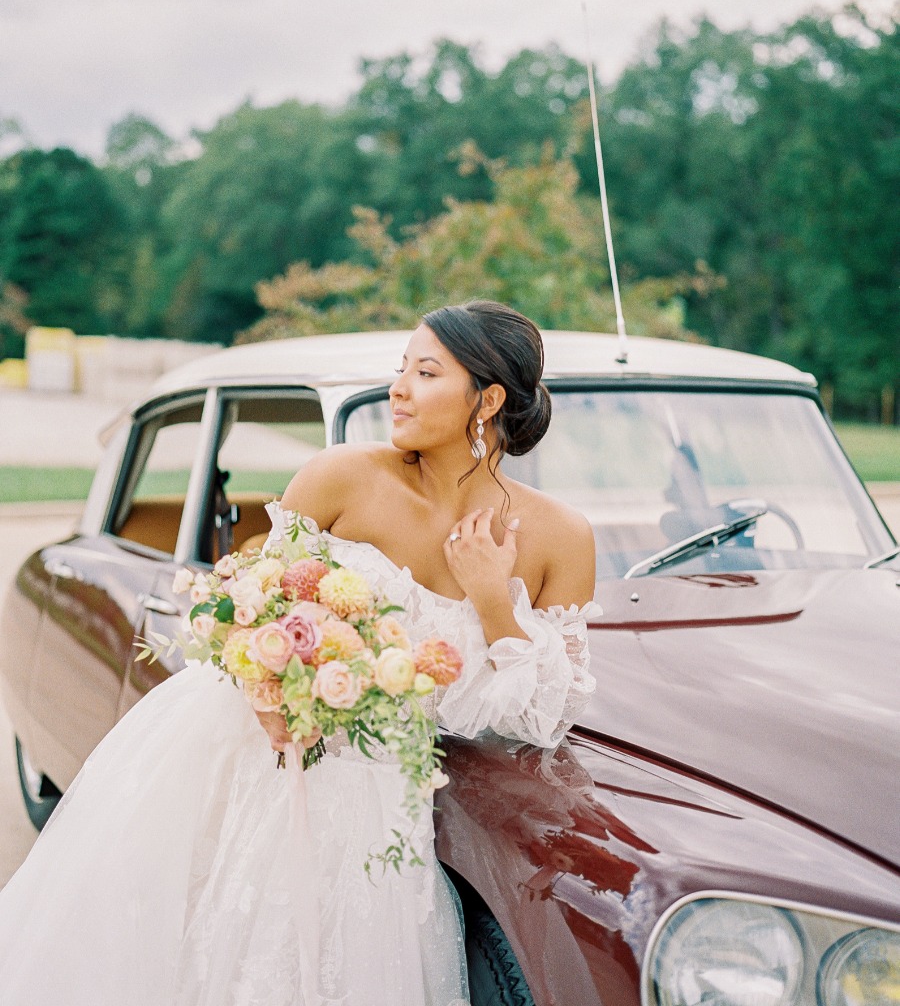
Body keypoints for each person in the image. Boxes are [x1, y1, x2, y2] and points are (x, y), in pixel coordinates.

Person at [0, 299, 598, 1006]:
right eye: (400, 369)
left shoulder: (562, 536)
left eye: (426, 372)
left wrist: (492, 598)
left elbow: (539, 722)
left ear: (487, 399)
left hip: (383, 807)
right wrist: (265, 688)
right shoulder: (343, 476)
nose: (398, 387)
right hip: (255, 764)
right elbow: (252, 606)